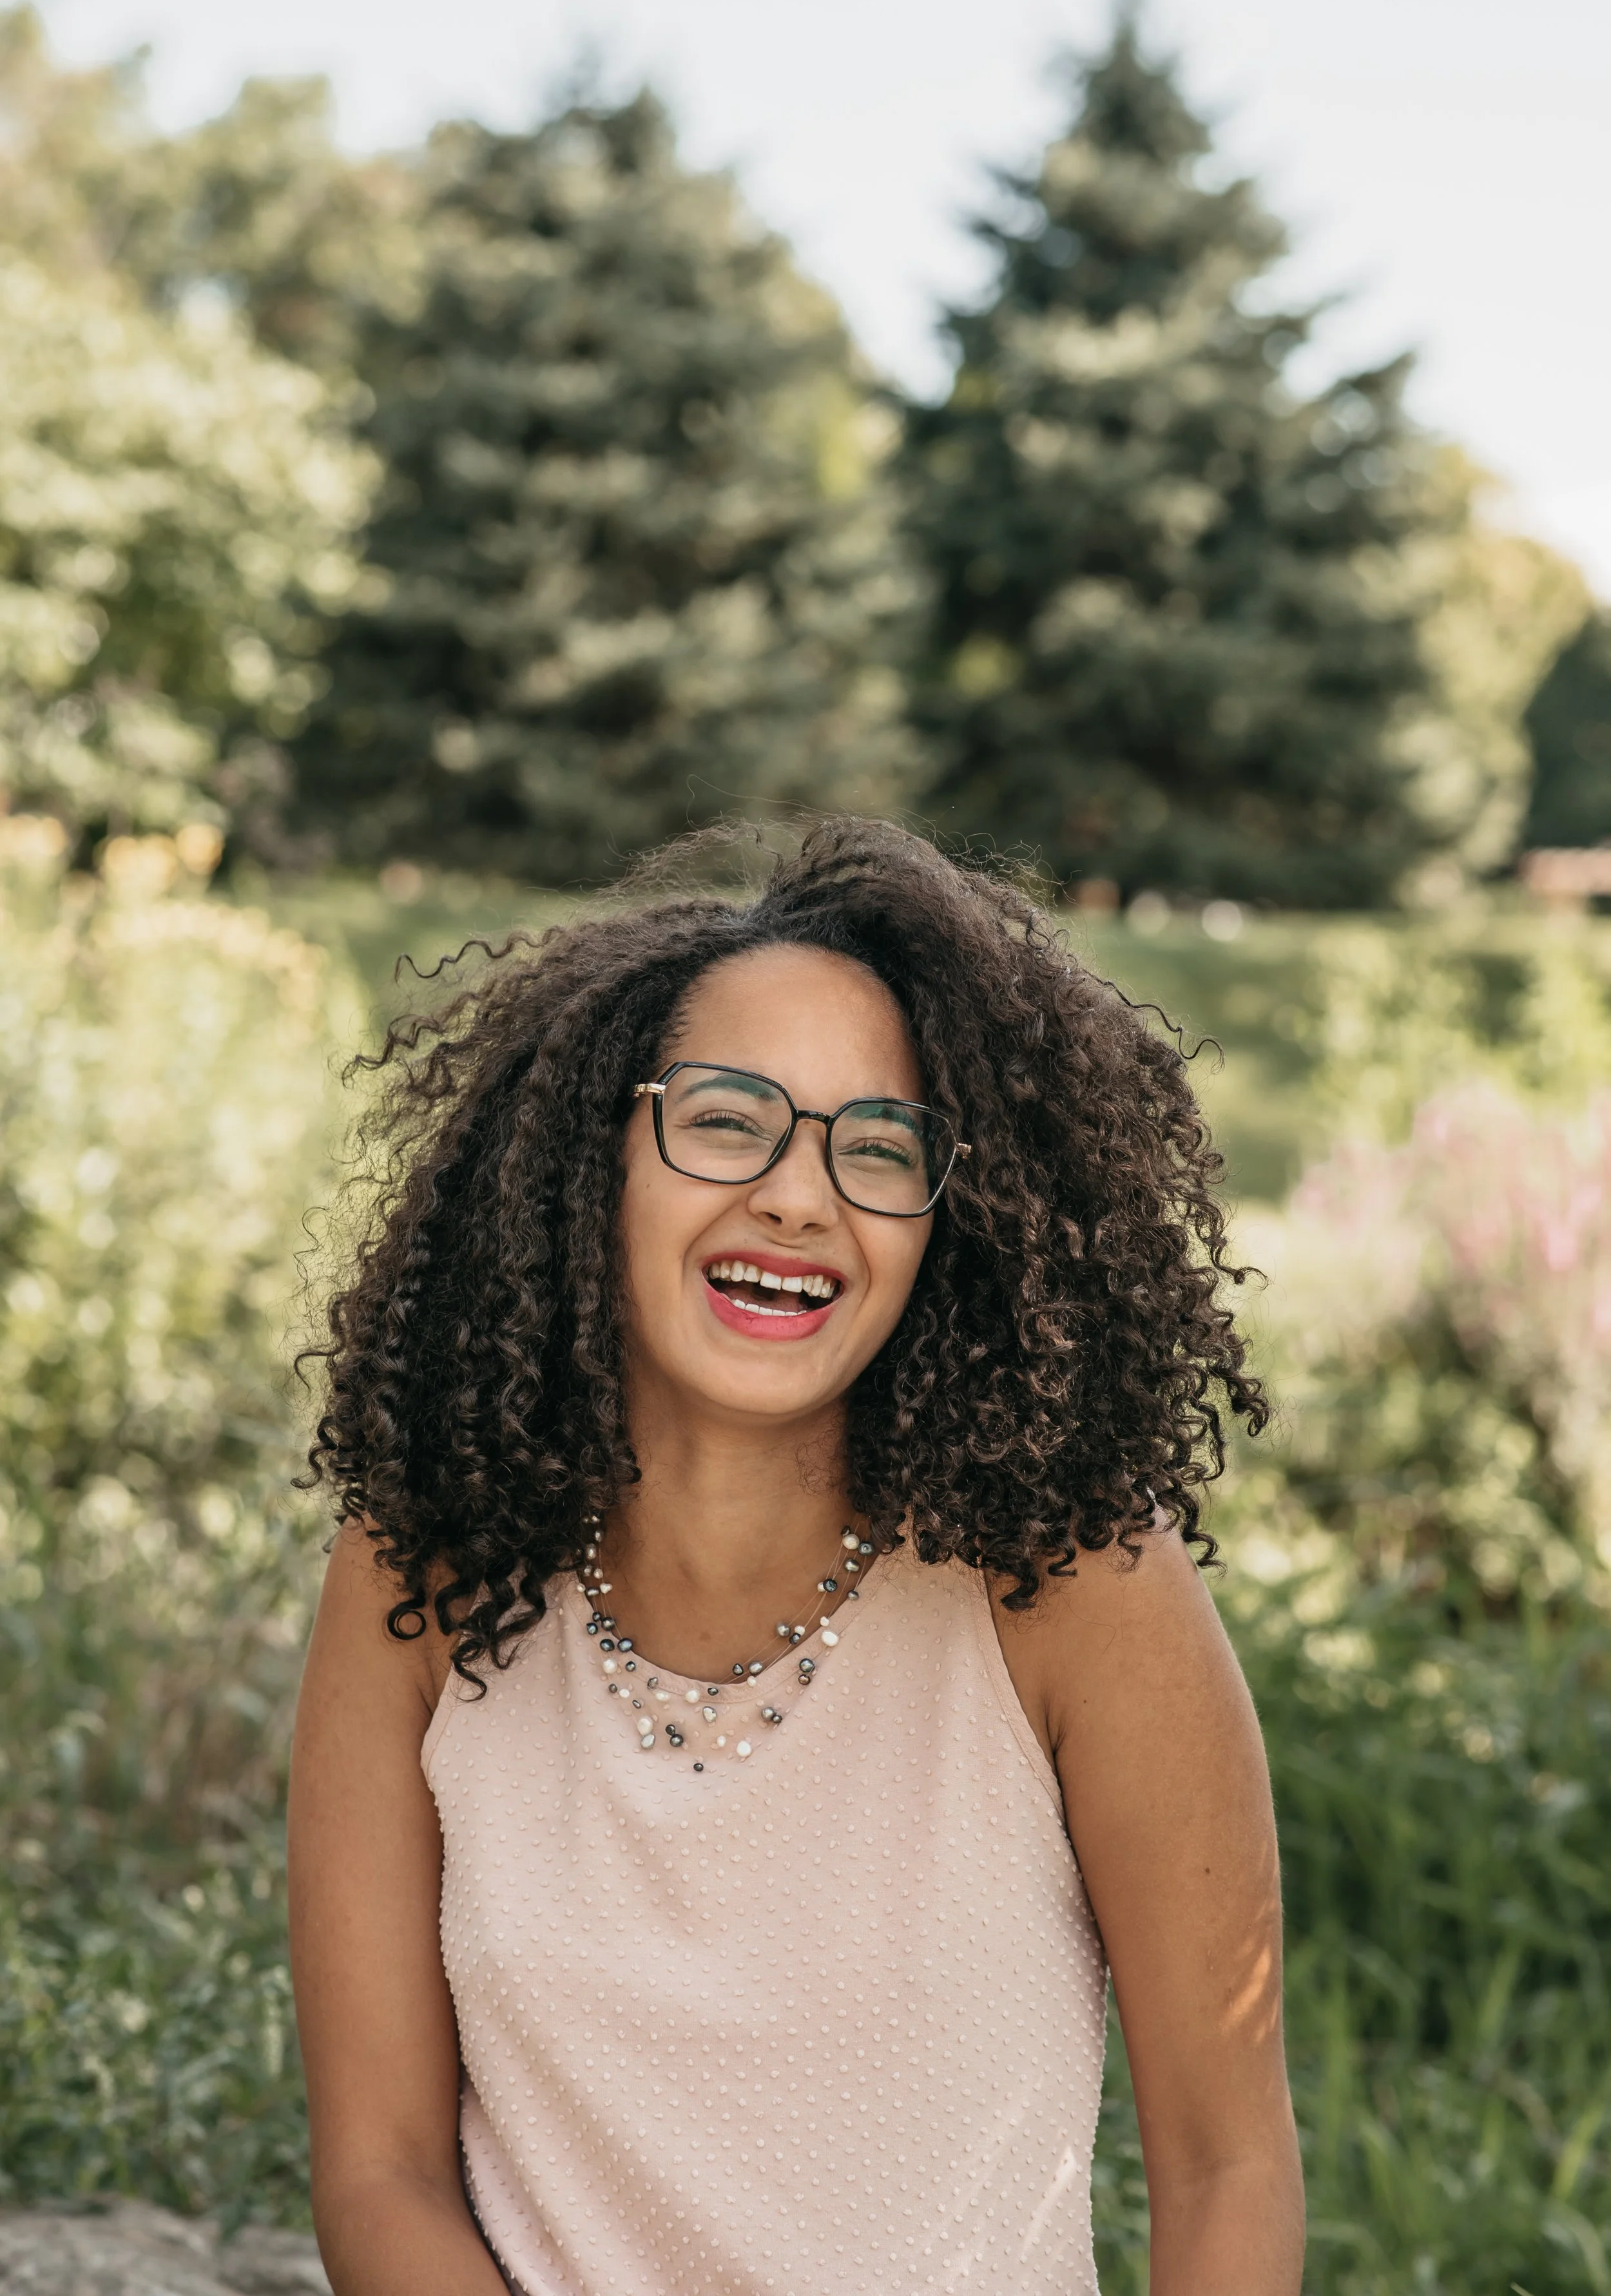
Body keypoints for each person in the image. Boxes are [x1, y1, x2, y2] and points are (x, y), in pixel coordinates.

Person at [288, 819, 1303, 2296]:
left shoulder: (1072, 1587)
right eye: (723, 1119)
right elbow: (380, 2173)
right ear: (592, 1159)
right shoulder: (421, 1571)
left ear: (948, 1228)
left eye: (878, 1147)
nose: (797, 1195)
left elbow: (1228, 2171)